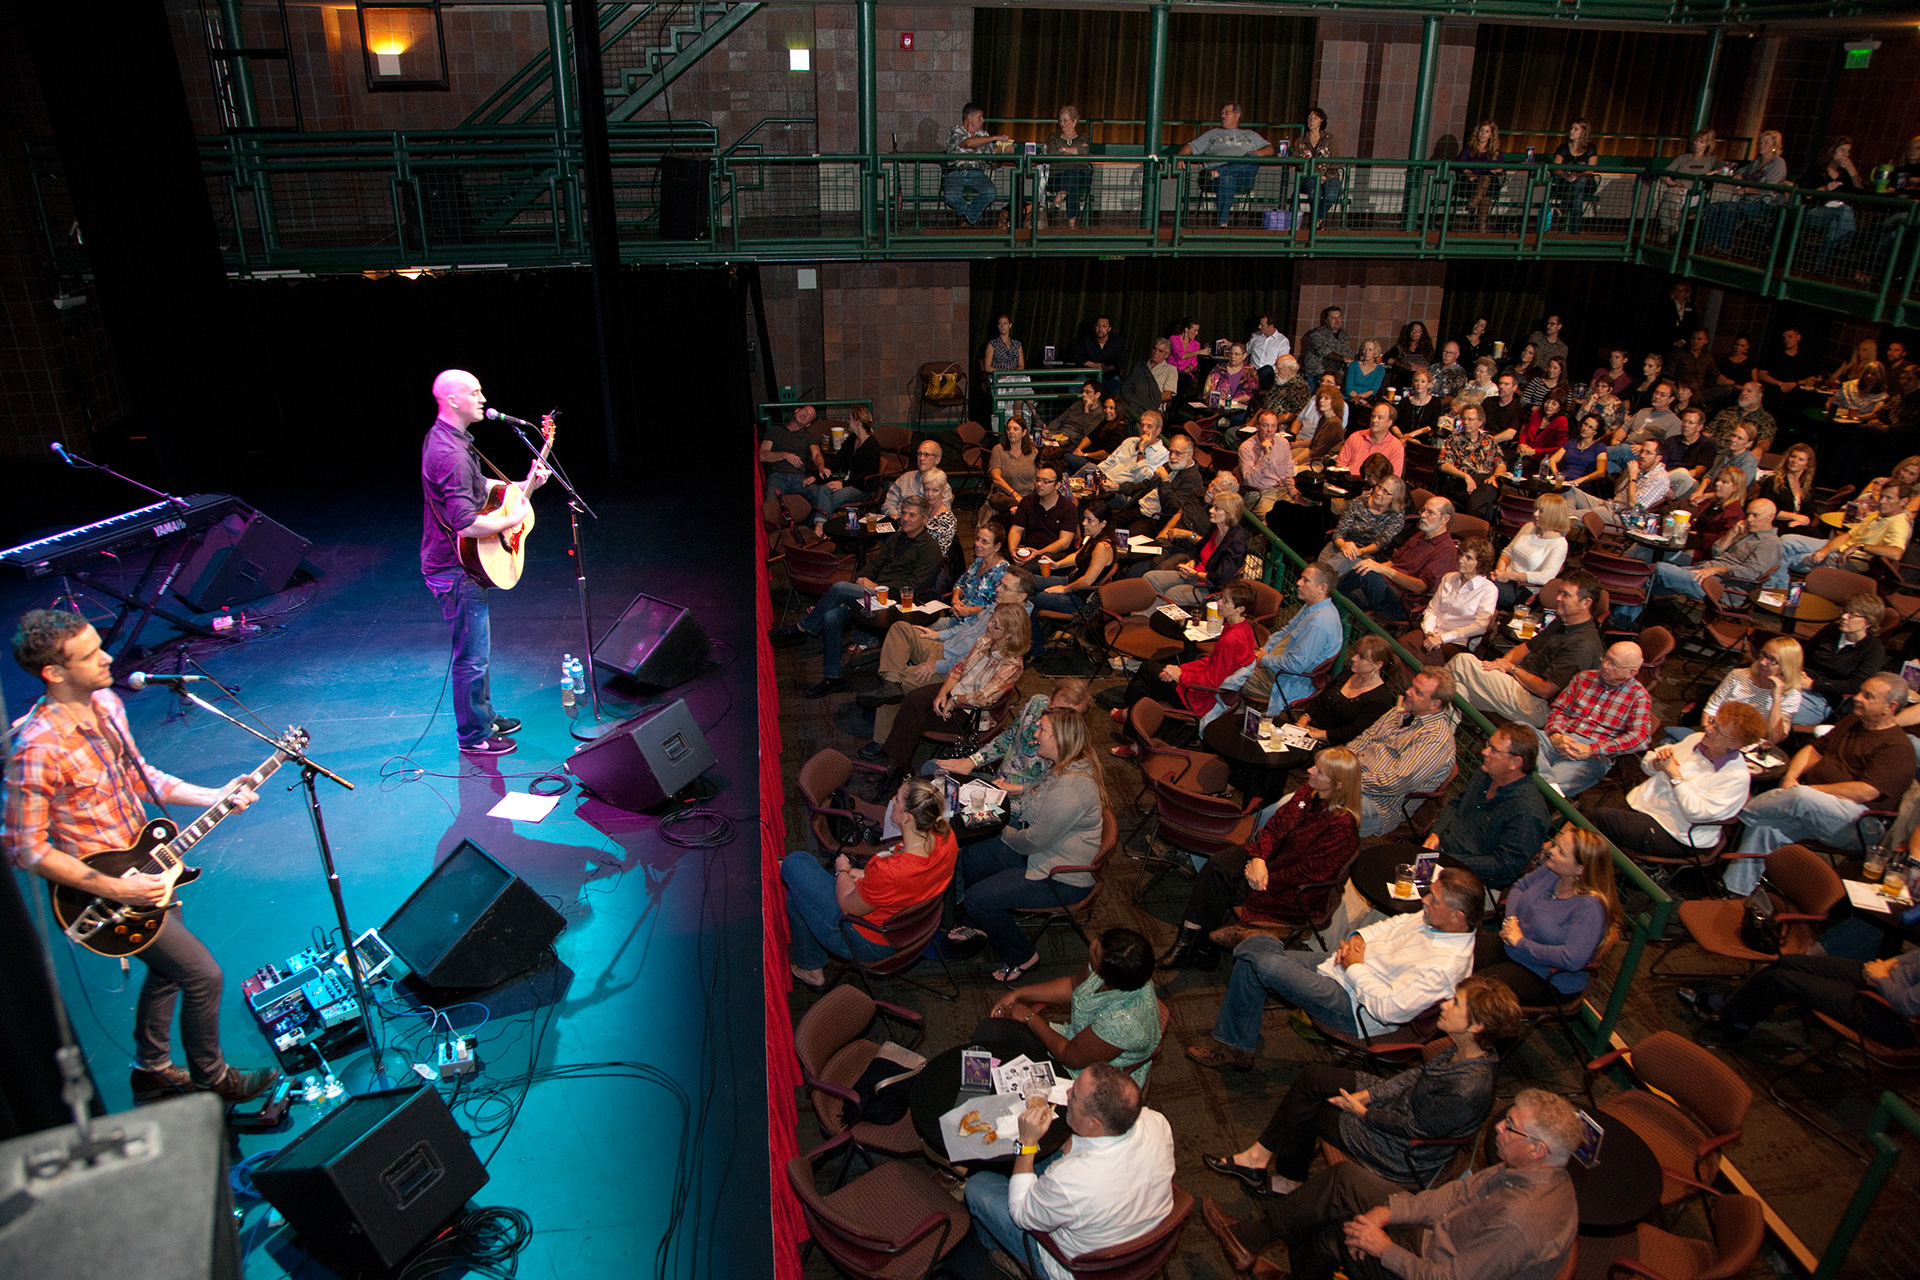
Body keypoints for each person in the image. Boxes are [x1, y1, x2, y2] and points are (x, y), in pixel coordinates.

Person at [6, 609, 279, 1104]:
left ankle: (151, 1068)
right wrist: (118, 888)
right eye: (90, 655)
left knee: (166, 967)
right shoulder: (37, 747)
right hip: (102, 892)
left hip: (150, 863)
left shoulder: (106, 702)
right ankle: (213, 1080)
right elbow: (24, 847)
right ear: (54, 672)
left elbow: (140, 777)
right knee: (201, 974)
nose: (108, 658)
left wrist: (213, 794)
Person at [1199, 976, 1517, 1220]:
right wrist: (1368, 1093)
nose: (1445, 1004)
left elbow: (1414, 1128)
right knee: (1315, 1077)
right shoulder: (1461, 1046)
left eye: (1456, 1004)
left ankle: (1283, 1179)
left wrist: (1363, 1112)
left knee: (1312, 1109)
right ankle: (1261, 1161)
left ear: (1476, 1026)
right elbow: (1415, 1077)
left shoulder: (1467, 1089)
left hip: (1399, 1149)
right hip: (1396, 1105)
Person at [1209, 1088, 1582, 1280]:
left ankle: (1264, 1251)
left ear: (1537, 1149)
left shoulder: (1518, 1223)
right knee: (1344, 1180)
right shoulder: (1525, 1170)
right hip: (1440, 1238)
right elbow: (1459, 1192)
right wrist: (1388, 1212)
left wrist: (1383, 1247)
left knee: (1338, 1232)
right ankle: (1249, 1240)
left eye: (1510, 1126)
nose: (1498, 1128)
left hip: (1435, 1266)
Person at [1187, 865, 1484, 1068]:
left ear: (1458, 916)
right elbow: (1390, 925)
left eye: (1435, 899)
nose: (1425, 899)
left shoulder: (1445, 967)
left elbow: (1388, 1009)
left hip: (1355, 1007)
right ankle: (1236, 1045)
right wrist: (1357, 937)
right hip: (1341, 967)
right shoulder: (1435, 919)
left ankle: (1260, 939)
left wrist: (1356, 966)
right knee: (1253, 961)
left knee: (1261, 961)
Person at [420, 369, 547, 756]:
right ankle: (474, 737)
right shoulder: (449, 453)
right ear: (453, 401)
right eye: (474, 392)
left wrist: (524, 489)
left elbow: (481, 490)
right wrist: (512, 518)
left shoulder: (454, 439)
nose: (482, 398)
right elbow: (466, 523)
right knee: (472, 658)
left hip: (459, 565)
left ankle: (484, 716)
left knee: (479, 652)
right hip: (454, 568)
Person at [962, 1063, 1175, 1280]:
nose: (1067, 1093)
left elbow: (1020, 1214)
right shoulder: (1158, 1121)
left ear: (1094, 1123)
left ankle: (1002, 1252)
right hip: (1144, 1239)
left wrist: (1027, 1142)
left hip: (1079, 1269)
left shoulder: (1072, 1178)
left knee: (977, 1186)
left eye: (1074, 1097)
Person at [1158, 748, 1364, 971]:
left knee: (1221, 885)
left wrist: (1264, 877)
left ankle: (1195, 948)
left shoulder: (1341, 826)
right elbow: (1274, 826)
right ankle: (1194, 946)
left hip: (1290, 889)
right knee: (1218, 864)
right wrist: (1258, 859)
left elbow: (1309, 872)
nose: (1310, 771)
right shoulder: (1308, 793)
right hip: (1267, 859)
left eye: (1320, 772)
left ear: (1338, 785)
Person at [950, 708, 1109, 981]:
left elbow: (1031, 841)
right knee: (974, 854)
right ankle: (978, 924)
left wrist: (1001, 829)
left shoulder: (1069, 790)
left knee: (978, 899)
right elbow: (1042, 790)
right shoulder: (1070, 764)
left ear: (1059, 739)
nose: (1035, 734)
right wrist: (1013, 794)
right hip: (1046, 854)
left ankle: (1022, 956)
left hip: (1059, 877)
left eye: (1042, 730)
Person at [1729, 672, 1917, 893]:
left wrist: (1805, 790)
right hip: (1817, 809)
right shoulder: (1852, 722)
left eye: (1868, 696)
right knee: (1768, 828)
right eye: (1860, 692)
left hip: (1858, 823)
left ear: (1890, 706)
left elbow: (1865, 792)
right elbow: (1814, 750)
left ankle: (1732, 816)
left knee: (1800, 797)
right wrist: (1791, 777)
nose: (1857, 698)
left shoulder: (1897, 749)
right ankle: (1735, 890)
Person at [782, 777, 959, 988]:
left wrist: (843, 872)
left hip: (867, 939)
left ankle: (811, 968)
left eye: (898, 799)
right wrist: (865, 876)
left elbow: (848, 905)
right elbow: (900, 882)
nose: (892, 800)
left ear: (907, 817)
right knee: (797, 896)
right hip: (911, 928)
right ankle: (810, 968)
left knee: (795, 862)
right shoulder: (947, 838)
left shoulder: (889, 870)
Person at [769, 495, 942, 698]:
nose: (905, 519)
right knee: (830, 617)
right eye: (903, 513)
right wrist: (862, 579)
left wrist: (877, 587)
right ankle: (833, 677)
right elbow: (875, 564)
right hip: (874, 597)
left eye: (912, 515)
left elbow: (913, 586)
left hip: (898, 604)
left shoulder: (930, 550)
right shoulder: (897, 538)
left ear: (924, 519)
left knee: (840, 588)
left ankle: (801, 629)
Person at [1589, 702, 1769, 868]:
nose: (1708, 727)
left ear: (1734, 744)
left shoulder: (1735, 778)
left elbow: (1696, 814)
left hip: (1678, 834)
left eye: (1717, 728)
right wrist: (1656, 763)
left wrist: (1675, 775)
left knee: (1598, 820)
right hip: (1644, 806)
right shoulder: (1696, 740)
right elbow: (1648, 763)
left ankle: (1584, 875)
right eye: (1713, 721)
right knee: (1595, 835)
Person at [861, 568, 1034, 734]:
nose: (998, 589)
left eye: (1005, 587)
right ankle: (889, 685)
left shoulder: (1012, 626)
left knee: (902, 678)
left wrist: (937, 666)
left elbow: (968, 662)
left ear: (1021, 596)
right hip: (945, 648)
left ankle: (881, 741)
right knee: (901, 628)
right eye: (1000, 584)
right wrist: (937, 635)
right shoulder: (1000, 605)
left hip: (950, 668)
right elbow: (968, 627)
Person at [874, 601, 1027, 781]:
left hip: (972, 713)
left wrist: (954, 700)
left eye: (996, 625)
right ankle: (898, 764)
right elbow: (958, 669)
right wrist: (942, 693)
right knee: (913, 699)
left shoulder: (1012, 665)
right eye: (991, 619)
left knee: (914, 716)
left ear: (1009, 634)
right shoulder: (986, 640)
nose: (989, 625)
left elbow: (983, 698)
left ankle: (896, 769)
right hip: (955, 693)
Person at [987, 927, 1163, 1083]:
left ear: (1107, 975)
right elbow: (1073, 986)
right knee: (994, 1033)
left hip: (1089, 1075)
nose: (1093, 945)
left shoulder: (1123, 1022)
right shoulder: (1118, 970)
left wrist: (1029, 1018)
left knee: (998, 1050)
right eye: (1099, 941)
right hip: (1077, 1041)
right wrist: (1018, 994)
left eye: (1095, 952)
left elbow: (1068, 1057)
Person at [1478, 823, 1621, 1005]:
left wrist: (1521, 943)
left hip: (1545, 976)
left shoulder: (1590, 908)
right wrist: (1511, 921)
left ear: (1580, 869)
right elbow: (1520, 887)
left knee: (1474, 992)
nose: (1551, 851)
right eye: (1556, 845)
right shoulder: (1553, 870)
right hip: (1512, 945)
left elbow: (1571, 959)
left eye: (1561, 852)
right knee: (1456, 958)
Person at [1401, 723, 1554, 890]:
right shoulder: (1485, 773)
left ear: (1515, 762)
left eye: (1494, 750)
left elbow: (1504, 866)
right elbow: (1456, 804)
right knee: (1396, 881)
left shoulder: (1528, 812)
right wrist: (1436, 834)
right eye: (1488, 745)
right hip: (1440, 857)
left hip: (1474, 883)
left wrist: (1448, 861)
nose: (1484, 752)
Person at [1448, 571, 1605, 727]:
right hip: (1520, 685)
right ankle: (1438, 740)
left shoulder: (1583, 645)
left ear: (1586, 603)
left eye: (1566, 595)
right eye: (1559, 593)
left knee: (1463, 663)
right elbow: (1526, 647)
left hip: (1538, 706)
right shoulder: (1563, 621)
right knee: (1460, 689)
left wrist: (1512, 669)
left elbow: (1545, 689)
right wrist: (1501, 663)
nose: (1558, 598)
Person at [1684, 950, 1920, 1049]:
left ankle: (1725, 1014)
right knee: (1789, 962)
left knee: (1782, 981)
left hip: (1893, 1017)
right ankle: (1734, 1014)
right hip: (1884, 979)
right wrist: (1889, 964)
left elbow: (1908, 1004)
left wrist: (1881, 978)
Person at [1523, 642, 1652, 799]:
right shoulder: (1583, 677)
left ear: (1631, 672)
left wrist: (1593, 750)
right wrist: (1556, 734)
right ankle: (1546, 786)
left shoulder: (1638, 697)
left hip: (1591, 756)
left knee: (1522, 765)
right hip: (1560, 738)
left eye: (1613, 664)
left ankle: (1536, 786)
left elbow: (1641, 738)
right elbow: (1559, 709)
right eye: (1605, 658)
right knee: (1519, 731)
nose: (1604, 665)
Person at [1629, 496, 1783, 624]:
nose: (1749, 519)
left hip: (1721, 588)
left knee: (1658, 569)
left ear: (1771, 517)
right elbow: (1716, 551)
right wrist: (1732, 534)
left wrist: (1717, 570)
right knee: (1649, 582)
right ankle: (1625, 620)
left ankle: (1623, 619)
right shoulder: (1749, 533)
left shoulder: (1769, 544)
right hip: (1707, 573)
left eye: (1756, 515)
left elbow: (1751, 573)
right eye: (1748, 514)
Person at [1343, 670, 1459, 837]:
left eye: (1418, 692)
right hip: (1352, 778)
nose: (1408, 692)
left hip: (1378, 804)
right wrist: (1339, 762)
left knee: (1320, 809)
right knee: (1305, 799)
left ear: (1435, 704)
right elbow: (1365, 738)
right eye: (1412, 686)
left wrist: (1347, 779)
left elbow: (1397, 781)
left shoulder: (1435, 741)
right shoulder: (1400, 712)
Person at [1119, 582, 1259, 718]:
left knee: (1146, 670)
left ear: (1240, 609)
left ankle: (1130, 715)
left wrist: (1180, 676)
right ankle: (1132, 720)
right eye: (1221, 598)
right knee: (1142, 687)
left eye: (1226, 601)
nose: (1219, 603)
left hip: (1201, 698)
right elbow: (1214, 663)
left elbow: (1213, 682)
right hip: (1206, 688)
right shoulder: (1243, 629)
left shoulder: (1231, 639)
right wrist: (1179, 670)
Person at [935, 678, 1094, 794]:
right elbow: (1008, 737)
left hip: (1021, 804)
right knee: (933, 770)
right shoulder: (1037, 703)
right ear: (1049, 700)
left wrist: (1017, 789)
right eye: (1056, 709)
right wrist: (972, 761)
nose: (1059, 719)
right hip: (999, 781)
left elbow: (1051, 791)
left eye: (1069, 716)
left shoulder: (1073, 748)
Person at [1337, 494, 1457, 625]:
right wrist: (1374, 565)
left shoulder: (1446, 551)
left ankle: (1326, 595)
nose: (1423, 515)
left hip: (1404, 603)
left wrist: (1382, 569)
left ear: (1445, 519)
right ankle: (1331, 603)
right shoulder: (1421, 535)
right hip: (1388, 586)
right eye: (1423, 510)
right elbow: (1394, 561)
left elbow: (1419, 588)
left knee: (1366, 575)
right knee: (1359, 571)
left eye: (1430, 513)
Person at [1142, 491, 1250, 609]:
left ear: (1230, 514)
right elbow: (1199, 550)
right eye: (1213, 506)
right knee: (1150, 578)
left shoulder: (1236, 542)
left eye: (1217, 509)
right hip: (1194, 574)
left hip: (1208, 586)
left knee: (1172, 593)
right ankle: (1145, 621)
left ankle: (1159, 622)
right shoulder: (1216, 527)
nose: (1211, 510)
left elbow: (1221, 578)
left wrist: (1196, 573)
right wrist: (1192, 562)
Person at [1778, 479, 1909, 574]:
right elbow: (1848, 535)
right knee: (1786, 540)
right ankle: (1776, 586)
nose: (1881, 501)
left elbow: (1896, 553)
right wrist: (1826, 550)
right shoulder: (1875, 514)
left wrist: (1860, 546)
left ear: (1903, 502)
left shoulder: (1899, 523)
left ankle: (1775, 591)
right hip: (1837, 549)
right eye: (1882, 496)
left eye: (1889, 498)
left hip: (1848, 562)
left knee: (1787, 559)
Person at [1794, 595, 1891, 725]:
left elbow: (1857, 684)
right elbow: (1803, 655)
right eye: (1845, 612)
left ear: (1868, 622)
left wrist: (1813, 685)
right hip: (1797, 682)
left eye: (1852, 615)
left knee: (1776, 710)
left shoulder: (1873, 649)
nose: (1844, 617)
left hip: (1824, 698)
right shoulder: (1831, 630)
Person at [1402, 538, 1496, 665]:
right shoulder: (1449, 578)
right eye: (1462, 554)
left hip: (1457, 642)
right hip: (1432, 633)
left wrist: (1442, 639)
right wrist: (1429, 631)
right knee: (1401, 646)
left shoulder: (1488, 590)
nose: (1461, 560)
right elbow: (1432, 609)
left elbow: (1480, 626)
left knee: (1423, 659)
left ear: (1481, 563)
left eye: (1469, 558)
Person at [1180, 102, 1275, 226]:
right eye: (1221, 114)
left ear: (1237, 115)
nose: (1222, 116)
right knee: (1227, 178)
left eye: (1226, 113)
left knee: (1252, 157)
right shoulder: (1212, 134)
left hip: (1243, 178)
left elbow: (1270, 149)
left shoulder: (1250, 135)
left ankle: (1218, 171)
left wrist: (1256, 152)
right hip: (1215, 181)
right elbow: (1190, 146)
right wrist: (1180, 158)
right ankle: (1222, 224)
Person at [1700, 129, 1789, 253]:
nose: (1761, 145)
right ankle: (1708, 243)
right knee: (1713, 207)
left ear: (1774, 146)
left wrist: (1747, 190)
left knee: (1730, 208)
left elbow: (1770, 188)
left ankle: (1723, 246)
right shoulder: (1757, 162)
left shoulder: (1778, 163)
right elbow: (1742, 171)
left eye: (1766, 142)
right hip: (1747, 201)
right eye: (1761, 142)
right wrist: (1738, 175)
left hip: (1765, 204)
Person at [1567, 429, 1670, 528]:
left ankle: (1565, 524)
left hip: (1622, 517)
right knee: (1569, 490)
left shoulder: (1659, 478)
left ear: (1658, 458)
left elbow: (1634, 505)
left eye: (1648, 453)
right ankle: (1567, 522)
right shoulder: (1642, 468)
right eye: (1642, 451)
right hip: (1611, 505)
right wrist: (1626, 473)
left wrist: (1633, 478)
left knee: (1566, 517)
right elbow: (1617, 491)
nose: (1642, 455)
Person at [1491, 493, 1571, 609]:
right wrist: (1500, 572)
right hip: (1504, 579)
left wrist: (1509, 575)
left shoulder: (1559, 544)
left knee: (1480, 586)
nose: (1535, 514)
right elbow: (1508, 552)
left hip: (1523, 590)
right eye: (1536, 509)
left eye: (1541, 511)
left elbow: (1545, 577)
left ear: (1553, 515)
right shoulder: (1529, 527)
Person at [1801, 136, 1865, 276]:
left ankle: (1821, 268)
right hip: (1815, 211)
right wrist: (1826, 187)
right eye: (1841, 150)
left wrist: (1851, 169)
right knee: (1844, 211)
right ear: (1832, 150)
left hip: (1837, 215)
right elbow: (1806, 195)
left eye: (1848, 151)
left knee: (1836, 225)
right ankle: (1846, 244)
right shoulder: (1816, 170)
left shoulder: (1845, 174)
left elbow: (1860, 191)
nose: (1845, 154)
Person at [806, 404, 881, 521]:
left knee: (825, 498)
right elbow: (837, 461)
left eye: (850, 419)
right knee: (822, 492)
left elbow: (864, 476)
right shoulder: (852, 440)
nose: (847, 421)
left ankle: (820, 527)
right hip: (849, 483)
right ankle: (821, 526)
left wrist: (843, 484)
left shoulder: (872, 446)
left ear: (857, 422)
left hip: (863, 488)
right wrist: (817, 476)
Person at [1437, 402, 1505, 521]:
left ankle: (1471, 524)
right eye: (1464, 419)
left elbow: (1501, 463)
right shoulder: (1454, 439)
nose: (1467, 422)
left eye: (1471, 419)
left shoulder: (1489, 440)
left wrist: (1495, 476)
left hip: (1485, 480)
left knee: (1487, 489)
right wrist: (1465, 476)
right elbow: (1444, 465)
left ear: (1480, 422)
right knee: (1485, 496)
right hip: (1460, 482)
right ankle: (1476, 526)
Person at [943, 102, 1009, 225]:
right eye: (980, 117)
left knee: (990, 192)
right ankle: (969, 218)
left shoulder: (983, 135)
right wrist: (994, 138)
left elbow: (992, 156)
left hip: (977, 172)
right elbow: (967, 143)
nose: (983, 120)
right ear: (970, 118)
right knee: (950, 195)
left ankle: (966, 219)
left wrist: (1005, 151)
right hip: (956, 171)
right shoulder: (955, 131)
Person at [1008, 463, 1080, 561]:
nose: (1039, 484)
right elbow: (1016, 529)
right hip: (1029, 549)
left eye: (1045, 482)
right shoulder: (1027, 501)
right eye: (1037, 480)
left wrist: (1038, 553)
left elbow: (1064, 542)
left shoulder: (1068, 508)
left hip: (1053, 555)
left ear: (1057, 485)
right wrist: (1013, 550)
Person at [1658, 127, 1721, 234]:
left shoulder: (1711, 160)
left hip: (1694, 192)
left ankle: (1667, 232)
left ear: (1707, 144)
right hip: (1677, 190)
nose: (1697, 144)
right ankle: (1673, 229)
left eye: (1701, 142)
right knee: (1671, 197)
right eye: (1696, 140)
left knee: (1668, 200)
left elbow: (1727, 169)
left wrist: (1711, 173)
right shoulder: (1683, 158)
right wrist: (1673, 184)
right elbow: (1664, 173)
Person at [1238, 410, 1299, 516]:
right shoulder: (1246, 448)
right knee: (1273, 521)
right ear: (1257, 427)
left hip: (1283, 491)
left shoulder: (1283, 443)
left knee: (1299, 517)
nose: (1269, 430)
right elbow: (1250, 483)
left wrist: (1295, 494)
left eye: (1273, 426)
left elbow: (1289, 473)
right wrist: (1265, 456)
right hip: (1261, 493)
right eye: (1265, 426)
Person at [1093, 409, 1169, 491]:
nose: (1144, 429)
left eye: (1149, 426)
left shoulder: (1163, 454)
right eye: (1142, 425)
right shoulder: (1130, 441)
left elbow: (1142, 480)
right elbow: (1108, 462)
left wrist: (1141, 450)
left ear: (1158, 431)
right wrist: (1097, 475)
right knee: (1088, 470)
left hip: (1121, 490)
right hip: (1105, 479)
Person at [1044, 108, 1095, 230]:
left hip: (1080, 175)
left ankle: (1059, 198)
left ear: (1074, 121)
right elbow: (1052, 153)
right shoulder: (1054, 137)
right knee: (1072, 177)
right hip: (1058, 175)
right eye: (1060, 121)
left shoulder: (1083, 137)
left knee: (1073, 175)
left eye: (1066, 121)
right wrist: (1074, 152)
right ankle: (1072, 223)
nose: (1062, 124)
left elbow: (1084, 152)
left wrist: (1064, 150)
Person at [1297, 107, 1344, 229]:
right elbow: (1296, 160)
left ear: (1321, 121)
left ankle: (1316, 219)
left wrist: (1325, 176)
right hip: (1309, 177)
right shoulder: (1300, 141)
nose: (1311, 121)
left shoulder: (1329, 139)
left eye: (1315, 118)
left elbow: (1336, 161)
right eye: (1309, 118)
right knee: (1314, 193)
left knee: (1331, 195)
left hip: (1330, 176)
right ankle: (1317, 221)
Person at [761, 400, 817, 500]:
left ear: (808, 424)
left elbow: (817, 455)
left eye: (809, 416)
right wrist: (784, 455)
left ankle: (819, 516)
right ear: (797, 410)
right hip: (777, 476)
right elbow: (762, 455)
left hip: (799, 478)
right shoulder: (774, 431)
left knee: (818, 494)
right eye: (805, 411)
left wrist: (819, 471)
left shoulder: (809, 437)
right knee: (771, 500)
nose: (805, 415)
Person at [1550, 120, 1600, 233]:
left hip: (1586, 183)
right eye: (1571, 128)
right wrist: (1566, 175)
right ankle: (1574, 233)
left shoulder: (1590, 148)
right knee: (1577, 198)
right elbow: (1555, 167)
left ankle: (1562, 209)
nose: (1571, 131)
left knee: (1581, 181)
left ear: (1583, 132)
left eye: (1575, 129)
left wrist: (1577, 176)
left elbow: (1590, 170)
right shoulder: (1563, 148)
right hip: (1566, 184)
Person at [1660, 407, 1719, 499]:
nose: (1685, 425)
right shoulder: (1671, 441)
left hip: (1688, 481)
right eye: (1684, 421)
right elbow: (1662, 465)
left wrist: (1670, 481)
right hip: (1667, 478)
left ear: (1700, 427)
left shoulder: (1708, 445)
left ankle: (1658, 485)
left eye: (1690, 423)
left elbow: (1699, 471)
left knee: (1682, 473)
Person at [882, 436, 948, 517]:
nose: (921, 458)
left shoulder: (942, 486)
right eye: (919, 454)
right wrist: (894, 515)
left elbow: (942, 515)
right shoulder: (905, 478)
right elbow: (888, 504)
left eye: (926, 455)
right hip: (900, 521)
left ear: (937, 459)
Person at [1336, 399, 1405, 476]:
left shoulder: (1396, 447)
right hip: (1349, 482)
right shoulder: (1356, 436)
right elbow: (1340, 463)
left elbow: (1393, 477)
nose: (1374, 420)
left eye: (1380, 417)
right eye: (1373, 416)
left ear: (1390, 422)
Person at [1755, 442, 1817, 528]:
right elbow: (1765, 510)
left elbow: (1810, 513)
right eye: (1793, 457)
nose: (1794, 461)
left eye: (1801, 459)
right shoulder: (1772, 481)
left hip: (1798, 526)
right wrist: (1795, 516)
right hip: (1776, 525)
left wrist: (1801, 522)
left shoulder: (1806, 486)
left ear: (1807, 465)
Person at [986, 415, 1039, 514]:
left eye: (1016, 429)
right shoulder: (998, 450)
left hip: (1029, 495)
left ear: (1024, 432)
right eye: (1009, 429)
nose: (1011, 432)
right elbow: (996, 478)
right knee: (995, 500)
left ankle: (1023, 508)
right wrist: (1015, 495)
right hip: (1008, 497)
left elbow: (1038, 476)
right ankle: (1023, 508)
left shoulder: (1033, 452)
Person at [1548, 414, 1611, 496]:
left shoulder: (1599, 447)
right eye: (1585, 424)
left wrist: (1581, 480)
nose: (1585, 429)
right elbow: (1553, 459)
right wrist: (1556, 474)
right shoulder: (1571, 443)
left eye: (1591, 427)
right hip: (1564, 482)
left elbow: (1601, 472)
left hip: (1581, 485)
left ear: (1595, 432)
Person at [1459, 121, 1506, 231]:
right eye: (1481, 130)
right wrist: (1470, 173)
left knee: (1486, 181)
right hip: (1471, 183)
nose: (1483, 134)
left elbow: (1502, 167)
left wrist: (1496, 171)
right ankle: (1481, 228)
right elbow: (1459, 164)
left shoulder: (1495, 152)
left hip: (1489, 183)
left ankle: (1474, 203)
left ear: (1491, 135)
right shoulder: (1469, 148)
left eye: (1486, 131)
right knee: (1485, 189)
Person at [1204, 342, 1260, 428]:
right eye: (1231, 353)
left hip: (1240, 407)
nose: (1233, 356)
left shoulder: (1250, 370)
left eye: (1237, 354)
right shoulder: (1219, 368)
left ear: (1244, 356)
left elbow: (1253, 392)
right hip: (1220, 407)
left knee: (1239, 417)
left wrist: (1235, 401)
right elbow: (1208, 389)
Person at [1122, 337, 1179, 420]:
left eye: (1160, 351)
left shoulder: (1170, 370)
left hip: (1152, 408)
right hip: (1133, 403)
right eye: (1154, 349)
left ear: (1166, 355)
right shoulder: (1142, 367)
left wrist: (1146, 403)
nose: (1156, 352)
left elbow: (1167, 395)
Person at [1299, 305, 1353, 384]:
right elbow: (1325, 351)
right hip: (1315, 375)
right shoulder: (1316, 334)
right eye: (1333, 318)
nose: (1337, 320)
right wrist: (1343, 359)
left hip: (1334, 377)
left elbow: (1348, 352)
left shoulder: (1344, 335)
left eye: (1339, 317)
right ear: (1326, 320)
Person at [1047, 381, 1107, 452]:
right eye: (1083, 391)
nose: (1083, 394)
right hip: (1059, 435)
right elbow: (1060, 419)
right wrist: (1048, 430)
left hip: (1073, 442)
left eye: (1087, 392)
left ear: (1097, 395)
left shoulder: (1099, 413)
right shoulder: (1077, 405)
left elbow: (1089, 435)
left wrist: (1087, 411)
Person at [1669, 328, 1722, 402]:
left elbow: (1716, 374)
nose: (1695, 341)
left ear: (1706, 341)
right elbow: (1668, 377)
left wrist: (1733, 384)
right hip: (1682, 391)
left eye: (1699, 339)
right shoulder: (1679, 353)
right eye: (1693, 338)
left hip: (1700, 391)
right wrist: (1678, 391)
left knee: (1726, 389)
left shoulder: (1707, 356)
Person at [1259, 354, 1313, 421]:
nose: (1275, 371)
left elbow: (1295, 414)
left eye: (1279, 369)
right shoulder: (1280, 381)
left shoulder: (1300, 387)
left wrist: (1270, 421)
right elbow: (1265, 406)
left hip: (1280, 425)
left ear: (1289, 369)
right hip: (1266, 420)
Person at [1248, 313, 1291, 384]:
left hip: (1268, 376)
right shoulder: (1255, 336)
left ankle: (1247, 383)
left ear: (1271, 326)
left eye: (1262, 325)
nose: (1259, 327)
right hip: (1252, 371)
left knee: (1268, 369)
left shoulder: (1282, 341)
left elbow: (1283, 362)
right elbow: (1245, 351)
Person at [1343, 339, 1387, 405]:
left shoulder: (1380, 370)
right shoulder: (1353, 365)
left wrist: (1360, 398)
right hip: (1349, 399)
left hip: (1366, 400)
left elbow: (1373, 390)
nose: (1366, 352)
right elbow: (1349, 388)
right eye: (1364, 349)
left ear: (1375, 352)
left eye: (1370, 350)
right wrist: (1360, 400)